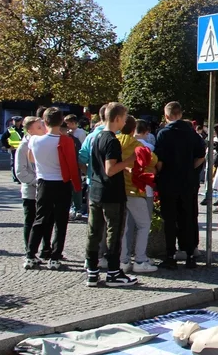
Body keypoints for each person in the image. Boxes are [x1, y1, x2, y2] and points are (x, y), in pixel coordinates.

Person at [86, 103, 137, 286]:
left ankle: (92, 271)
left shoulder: (96, 136)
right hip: (112, 194)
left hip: (96, 191)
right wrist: (130, 161)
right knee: (114, 233)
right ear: (116, 118)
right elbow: (110, 169)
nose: (125, 121)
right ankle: (114, 273)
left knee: (94, 232)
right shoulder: (112, 140)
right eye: (124, 118)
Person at [25, 108, 81, 271]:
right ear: (61, 120)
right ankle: (55, 257)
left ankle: (30, 254)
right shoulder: (66, 140)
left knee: (40, 219)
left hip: (43, 182)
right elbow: (71, 164)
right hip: (62, 183)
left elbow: (30, 158)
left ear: (45, 120)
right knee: (60, 221)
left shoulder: (35, 140)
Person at [155, 101, 206, 269]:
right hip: (188, 182)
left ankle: (170, 255)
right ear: (181, 114)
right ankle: (190, 254)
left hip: (168, 181)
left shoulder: (163, 134)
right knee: (188, 217)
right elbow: (201, 156)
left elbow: (159, 161)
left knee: (170, 219)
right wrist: (189, 168)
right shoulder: (192, 134)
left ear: (167, 116)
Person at [116, 115, 158, 274]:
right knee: (143, 224)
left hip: (118, 189)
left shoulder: (115, 141)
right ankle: (140, 259)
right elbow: (153, 161)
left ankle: (123, 259)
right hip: (134, 189)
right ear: (134, 129)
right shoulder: (138, 146)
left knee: (125, 227)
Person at [15, 116, 48, 262]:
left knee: (46, 221)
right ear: (30, 130)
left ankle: (46, 249)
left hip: (44, 190)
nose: (43, 129)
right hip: (31, 191)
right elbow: (21, 172)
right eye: (39, 127)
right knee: (31, 220)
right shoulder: (24, 146)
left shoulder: (43, 142)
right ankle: (30, 251)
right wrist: (37, 181)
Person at [3, 116, 25, 184]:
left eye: (18, 121)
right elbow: (3, 139)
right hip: (14, 149)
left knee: (23, 163)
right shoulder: (10, 129)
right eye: (15, 121)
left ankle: (21, 177)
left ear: (20, 121)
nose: (16, 123)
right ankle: (15, 178)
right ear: (13, 121)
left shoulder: (24, 128)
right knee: (14, 163)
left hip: (23, 149)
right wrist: (8, 146)